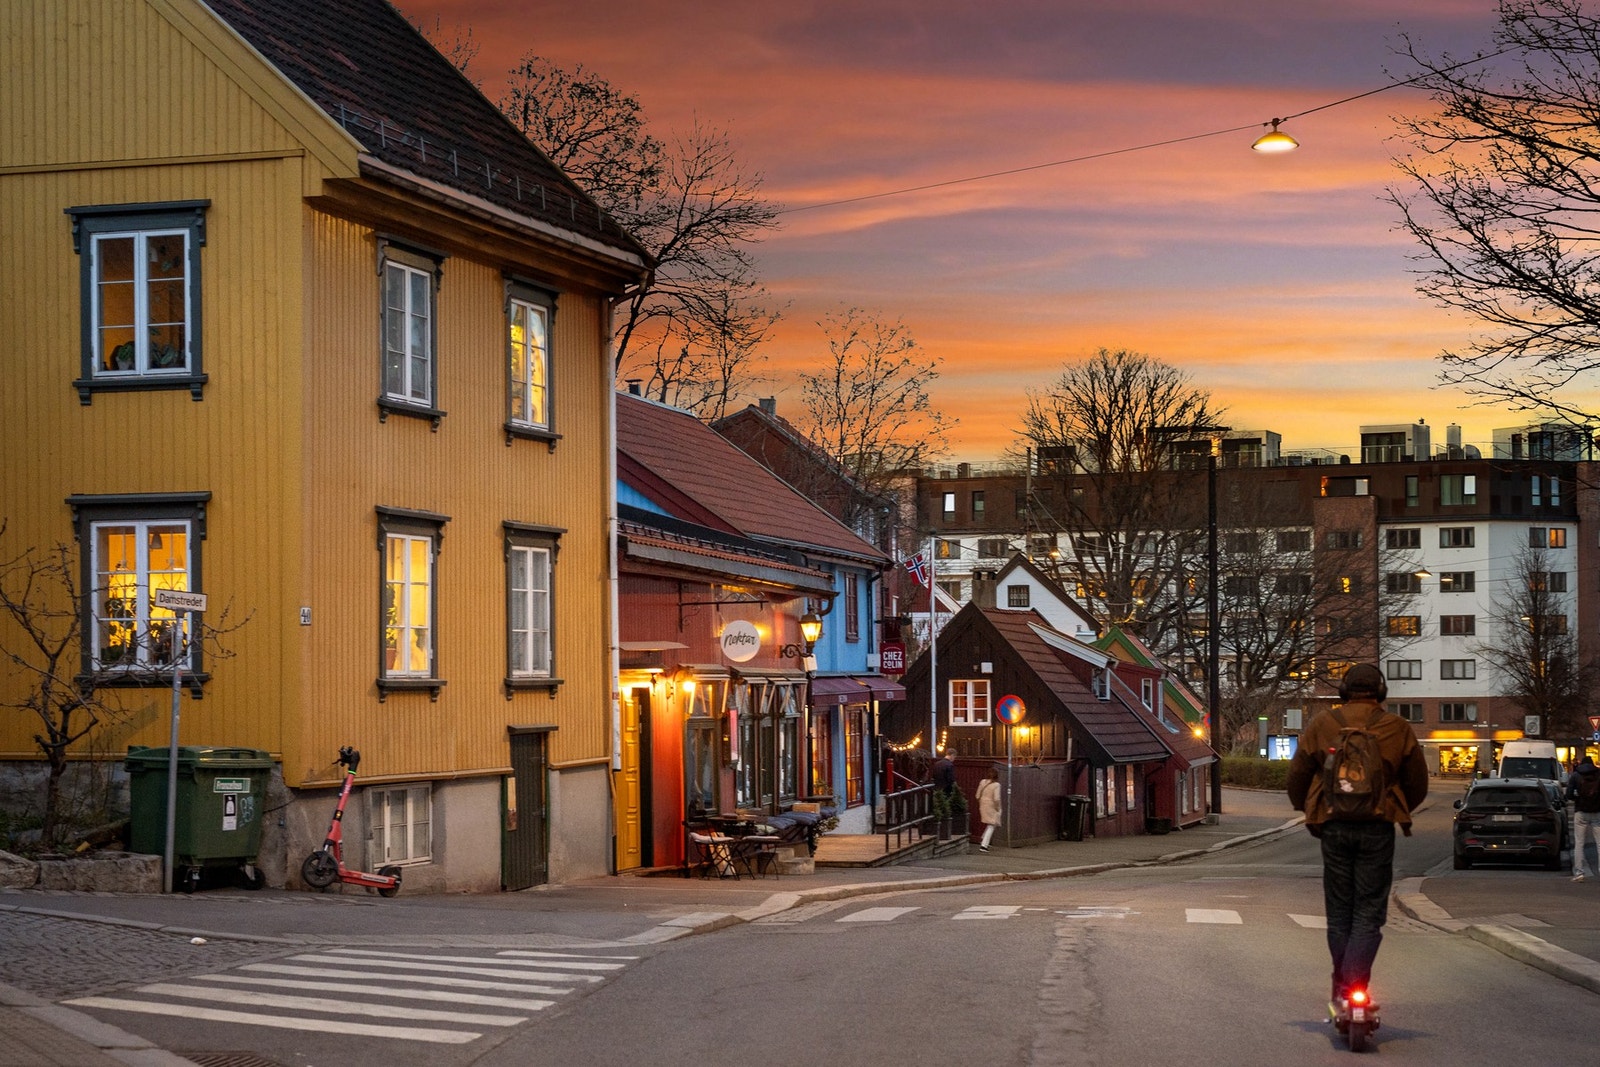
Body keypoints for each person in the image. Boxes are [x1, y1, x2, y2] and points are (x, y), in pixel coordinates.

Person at [1286, 663, 1428, 1011]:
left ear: (1343, 690)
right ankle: (1357, 988)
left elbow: (1298, 776)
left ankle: (1341, 987)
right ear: (1381, 692)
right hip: (1378, 827)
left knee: (1339, 912)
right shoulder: (1397, 727)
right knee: (1368, 911)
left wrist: (1306, 807)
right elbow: (1418, 784)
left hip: (1333, 826)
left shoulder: (1323, 724)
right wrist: (1396, 805)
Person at [1567, 755, 1600, 882]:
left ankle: (1579, 873)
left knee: (1579, 843)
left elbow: (1569, 794)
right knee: (1599, 843)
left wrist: (1578, 799)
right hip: (1597, 811)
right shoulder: (1598, 774)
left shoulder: (1576, 775)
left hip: (1581, 811)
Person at [975, 765, 1003, 853]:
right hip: (992, 806)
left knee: (990, 824)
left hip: (983, 805)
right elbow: (997, 798)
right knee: (992, 824)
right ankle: (984, 845)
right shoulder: (996, 785)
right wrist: (998, 808)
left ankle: (983, 839)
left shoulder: (982, 782)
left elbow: (977, 795)